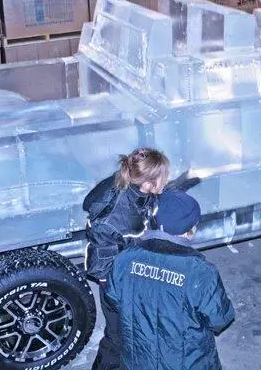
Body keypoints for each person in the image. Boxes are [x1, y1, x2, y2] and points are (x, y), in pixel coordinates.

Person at [105, 190, 235, 370]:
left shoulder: (124, 260)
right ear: (192, 228)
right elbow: (220, 319)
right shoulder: (201, 273)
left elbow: (112, 298)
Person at [83, 148, 171, 370]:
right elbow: (101, 261)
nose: (167, 178)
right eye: (164, 175)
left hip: (130, 272)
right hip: (117, 283)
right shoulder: (116, 214)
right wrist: (118, 292)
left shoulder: (134, 188)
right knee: (117, 338)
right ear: (148, 182)